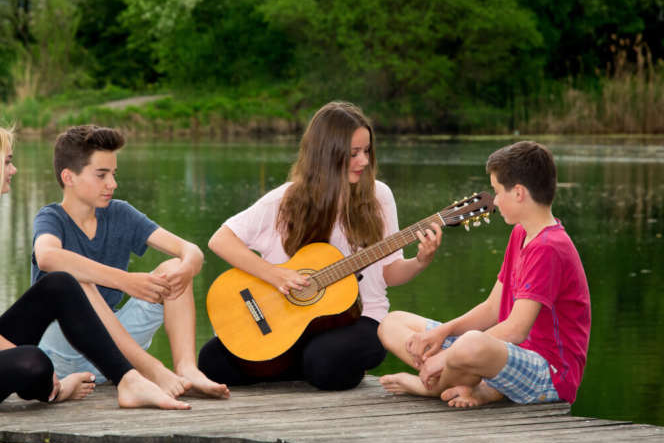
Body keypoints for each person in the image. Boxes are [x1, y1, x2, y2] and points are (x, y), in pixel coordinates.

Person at [0, 120, 190, 410]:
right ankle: (56, 389)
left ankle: (128, 380)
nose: (13, 170)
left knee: (60, 283)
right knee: (33, 361)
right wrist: (19, 358)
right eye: (7, 162)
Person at [197, 101, 443, 391]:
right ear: (326, 155)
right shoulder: (284, 201)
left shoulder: (379, 197)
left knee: (324, 362)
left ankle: (282, 362)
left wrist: (420, 261)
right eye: (353, 154)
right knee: (211, 362)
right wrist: (277, 276)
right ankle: (288, 359)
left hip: (361, 319)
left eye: (367, 151)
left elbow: (389, 272)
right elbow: (220, 240)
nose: (364, 161)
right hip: (293, 321)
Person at [379, 141, 591, 407]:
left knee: (471, 345)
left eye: (497, 191)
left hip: (550, 374)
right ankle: (476, 384)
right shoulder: (521, 233)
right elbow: (492, 308)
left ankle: (430, 386)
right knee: (392, 323)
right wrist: (442, 333)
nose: (495, 201)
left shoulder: (549, 247)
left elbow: (516, 329)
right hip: (504, 355)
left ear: (519, 193)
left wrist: (446, 356)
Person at [33, 125, 229, 399]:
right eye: (101, 175)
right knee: (76, 281)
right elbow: (47, 256)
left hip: (112, 354)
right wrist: (126, 281)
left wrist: (186, 268)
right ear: (69, 177)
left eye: (113, 174)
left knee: (173, 268)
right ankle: (152, 369)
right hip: (61, 353)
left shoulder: (120, 213)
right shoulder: (52, 218)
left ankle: (186, 368)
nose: (112, 184)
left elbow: (190, 250)